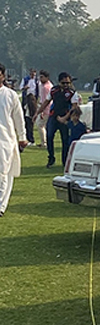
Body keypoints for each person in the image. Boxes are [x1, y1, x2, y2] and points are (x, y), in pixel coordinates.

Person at [35, 72, 80, 168]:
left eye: (67, 83)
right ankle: (51, 157)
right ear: (59, 82)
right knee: (49, 136)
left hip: (65, 117)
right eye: (64, 83)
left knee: (65, 140)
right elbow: (46, 102)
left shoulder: (72, 92)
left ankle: (65, 160)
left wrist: (65, 118)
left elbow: (74, 107)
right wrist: (37, 113)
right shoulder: (54, 90)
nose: (66, 85)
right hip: (54, 116)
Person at [0, 63, 28, 217]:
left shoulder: (10, 95)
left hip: (5, 139)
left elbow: (18, 117)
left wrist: (22, 136)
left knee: (4, 172)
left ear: (3, 76)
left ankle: (1, 206)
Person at [19, 69, 38, 145]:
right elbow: (21, 88)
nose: (33, 76)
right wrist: (25, 88)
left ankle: (31, 138)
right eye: (31, 74)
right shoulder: (26, 79)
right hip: (27, 100)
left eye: (34, 74)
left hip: (33, 101)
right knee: (26, 119)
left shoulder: (37, 81)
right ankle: (28, 137)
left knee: (31, 119)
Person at [35, 70, 52, 148]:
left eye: (42, 77)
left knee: (40, 125)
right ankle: (45, 142)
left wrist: (42, 112)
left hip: (46, 109)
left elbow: (46, 101)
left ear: (47, 78)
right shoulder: (42, 85)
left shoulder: (46, 87)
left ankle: (44, 143)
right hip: (45, 108)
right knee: (44, 125)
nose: (40, 79)